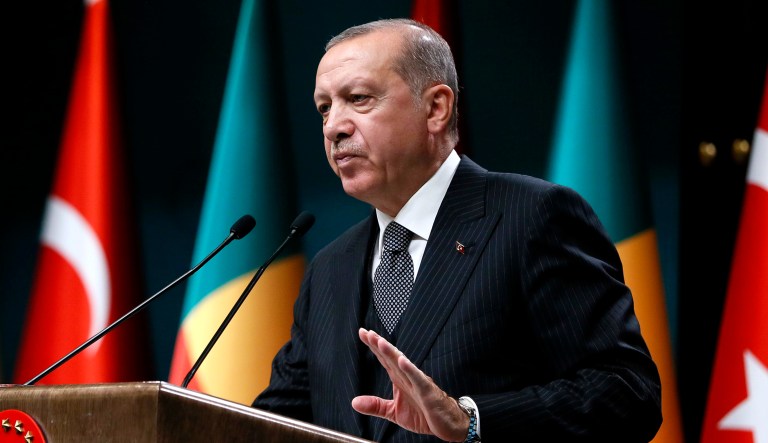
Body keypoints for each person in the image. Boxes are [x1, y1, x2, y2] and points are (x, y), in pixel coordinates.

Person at [253, 18, 662, 442]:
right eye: (324, 107)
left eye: (358, 99)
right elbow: (269, 425)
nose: (333, 127)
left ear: (436, 108)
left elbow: (628, 393)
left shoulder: (532, 217)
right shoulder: (329, 269)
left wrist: (471, 420)